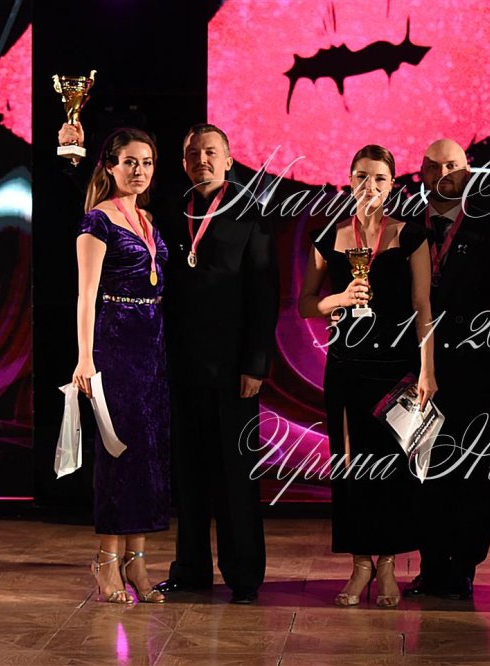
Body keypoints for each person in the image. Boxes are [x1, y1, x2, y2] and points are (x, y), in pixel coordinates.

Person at [299, 144, 437, 609]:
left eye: (379, 177)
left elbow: (423, 306)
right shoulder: (331, 236)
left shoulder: (411, 236)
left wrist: (428, 370)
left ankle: (389, 565)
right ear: (349, 180)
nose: (370, 185)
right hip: (346, 369)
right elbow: (306, 304)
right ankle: (360, 564)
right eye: (361, 176)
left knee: (393, 471)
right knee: (351, 469)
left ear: (392, 184)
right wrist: (339, 299)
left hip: (397, 370)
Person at [154, 124, 278, 605]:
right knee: (188, 474)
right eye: (192, 153)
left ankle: (244, 575)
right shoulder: (169, 209)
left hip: (233, 370)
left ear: (228, 159)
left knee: (235, 474)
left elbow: (264, 294)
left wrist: (255, 364)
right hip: (180, 364)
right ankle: (190, 570)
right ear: (183, 162)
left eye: (210, 152)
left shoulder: (251, 213)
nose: (201, 160)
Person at [401, 139, 490, 600]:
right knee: (423, 469)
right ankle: (430, 564)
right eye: (434, 166)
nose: (443, 174)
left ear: (469, 172)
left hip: (473, 365)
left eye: (453, 165)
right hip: (416, 366)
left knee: (471, 469)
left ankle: (463, 566)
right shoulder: (404, 225)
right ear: (421, 172)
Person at [72, 128, 169, 604]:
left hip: (152, 347)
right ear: (110, 166)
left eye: (146, 162)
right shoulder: (98, 221)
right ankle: (106, 560)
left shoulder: (147, 218)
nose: (139, 171)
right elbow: (86, 296)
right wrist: (85, 358)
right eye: (130, 162)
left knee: (149, 454)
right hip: (115, 346)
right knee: (119, 454)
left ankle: (138, 560)